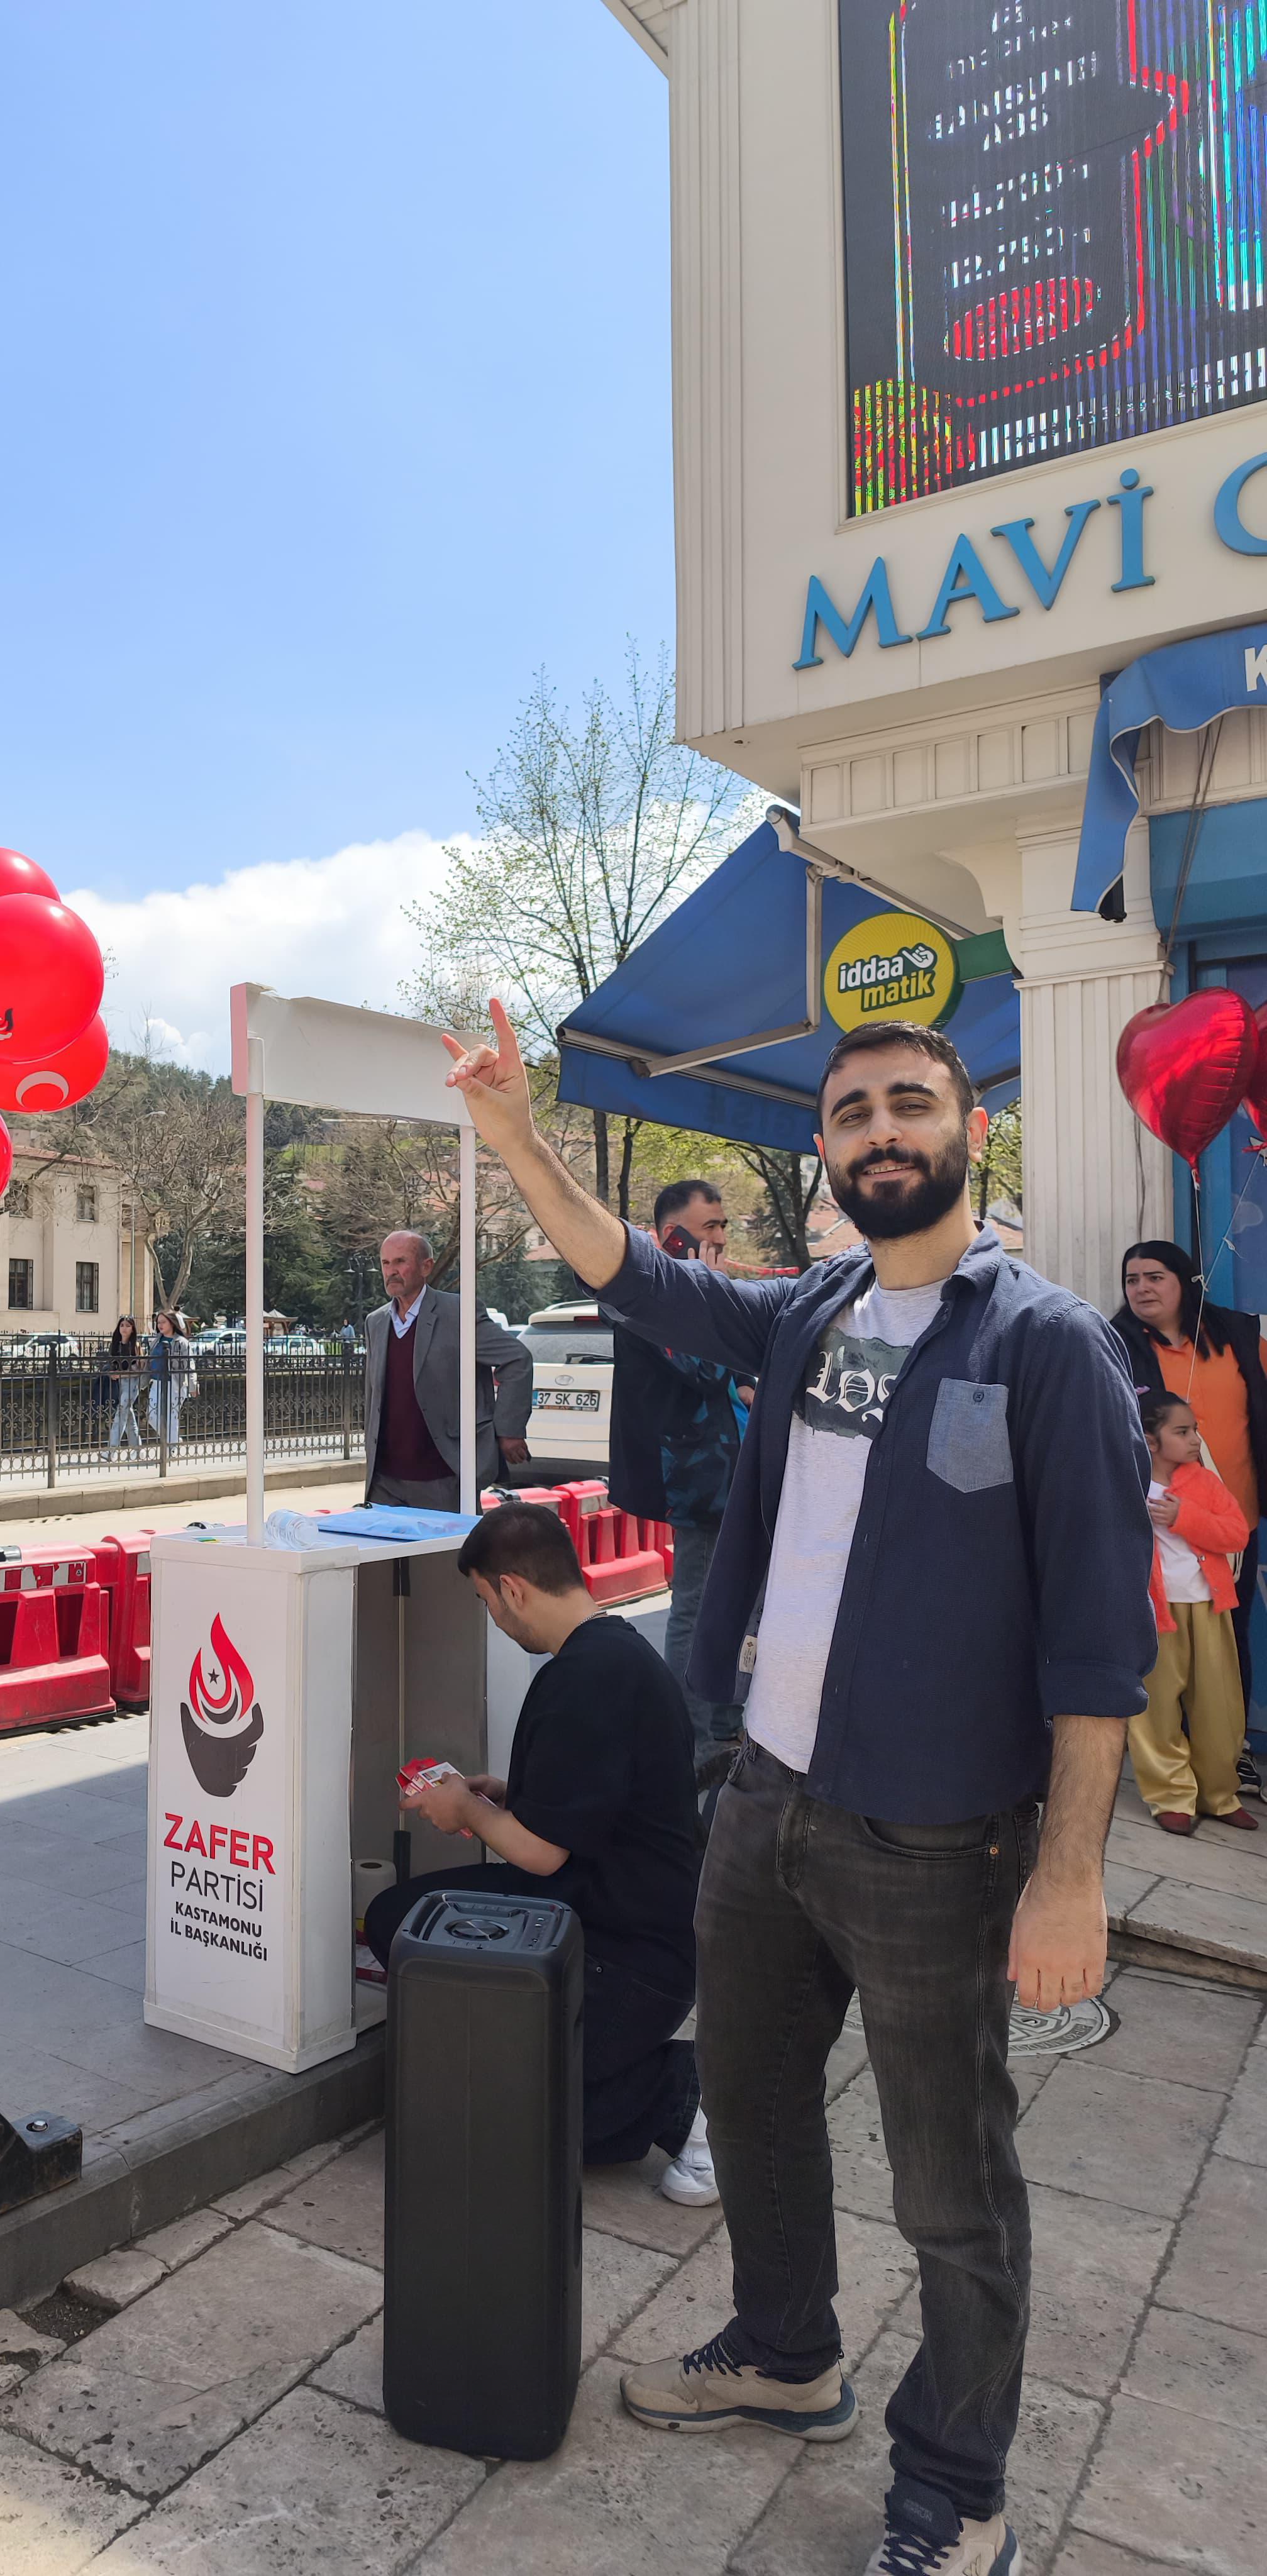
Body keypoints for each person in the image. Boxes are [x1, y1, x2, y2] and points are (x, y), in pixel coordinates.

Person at [441, 1000, 1153, 2576]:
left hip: (935, 1834)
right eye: (851, 1112)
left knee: (950, 2183)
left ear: (969, 1130)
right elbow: (637, 1278)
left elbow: (1102, 1644)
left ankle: (956, 2486)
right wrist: (515, 1140)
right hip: (763, 1796)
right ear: (823, 1149)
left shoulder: (1047, 1347)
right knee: (752, 2099)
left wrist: (1067, 1873)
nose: (880, 1130)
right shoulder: (814, 1310)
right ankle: (784, 2351)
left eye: (909, 1102)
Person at [363, 1502, 714, 2202]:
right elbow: (590, 1800)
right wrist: (503, 1794)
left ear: (513, 1589)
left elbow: (544, 1854)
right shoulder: (613, 1653)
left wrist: (467, 1810)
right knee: (398, 1918)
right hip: (615, 1916)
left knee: (506, 2124)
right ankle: (515, 2047)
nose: (492, 1617)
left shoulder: (584, 1679)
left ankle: (688, 2095)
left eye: (485, 1601)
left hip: (628, 1955)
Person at [1112, 1238, 1267, 1799]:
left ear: (1185, 1281)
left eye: (1155, 1277)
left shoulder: (1238, 1336)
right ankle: (1167, 1766)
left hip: (1230, 1524)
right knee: (1161, 1644)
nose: (1142, 1289)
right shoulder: (1114, 1344)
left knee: (1227, 1640)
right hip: (1154, 1528)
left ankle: (1229, 1756)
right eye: (1132, 1280)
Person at [611, 1178, 748, 1760]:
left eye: (722, 1225)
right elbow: (710, 1369)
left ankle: (723, 1722)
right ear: (673, 1237)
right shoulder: (652, 1297)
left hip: (727, 1470)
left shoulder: (686, 1289)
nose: (721, 1238)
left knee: (738, 1599)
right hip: (694, 1477)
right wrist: (713, 1290)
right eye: (709, 1227)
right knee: (696, 1602)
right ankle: (688, 1735)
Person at [1134, 1388, 1257, 1836]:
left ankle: (1219, 1794)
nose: (1194, 1440)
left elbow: (1236, 1534)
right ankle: (1169, 1795)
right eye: (1182, 1432)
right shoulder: (1128, 1483)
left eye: (1195, 1430)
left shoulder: (1204, 1482)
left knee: (1220, 1706)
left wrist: (1183, 1517)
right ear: (1151, 1441)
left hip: (1208, 1608)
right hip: (1153, 1612)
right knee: (1157, 1709)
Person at [363, 1228, 533, 1510]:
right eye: (386, 1263)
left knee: (452, 1541)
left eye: (401, 1262)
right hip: (385, 1481)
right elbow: (374, 1395)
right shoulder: (376, 1322)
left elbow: (517, 1359)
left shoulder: (458, 1314)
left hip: (444, 1475)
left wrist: (509, 1430)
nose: (391, 1271)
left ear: (426, 1267)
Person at [147, 1309, 193, 1446]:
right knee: (151, 1416)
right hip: (157, 1382)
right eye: (158, 1323)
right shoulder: (156, 1340)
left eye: (163, 1322)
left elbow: (190, 1364)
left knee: (172, 1417)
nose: (160, 1325)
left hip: (174, 1383)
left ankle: (171, 1448)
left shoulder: (181, 1342)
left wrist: (193, 1385)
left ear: (172, 1323)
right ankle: (172, 1440)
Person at [104, 1315, 146, 1458]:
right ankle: (138, 1449)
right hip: (120, 1385)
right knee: (128, 1417)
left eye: (128, 1325)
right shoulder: (115, 1345)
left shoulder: (136, 1346)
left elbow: (139, 1370)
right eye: (122, 1325)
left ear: (133, 1329)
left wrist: (121, 1374)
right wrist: (112, 1374)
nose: (125, 1328)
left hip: (132, 1384)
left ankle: (111, 1450)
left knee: (121, 1414)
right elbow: (111, 1365)